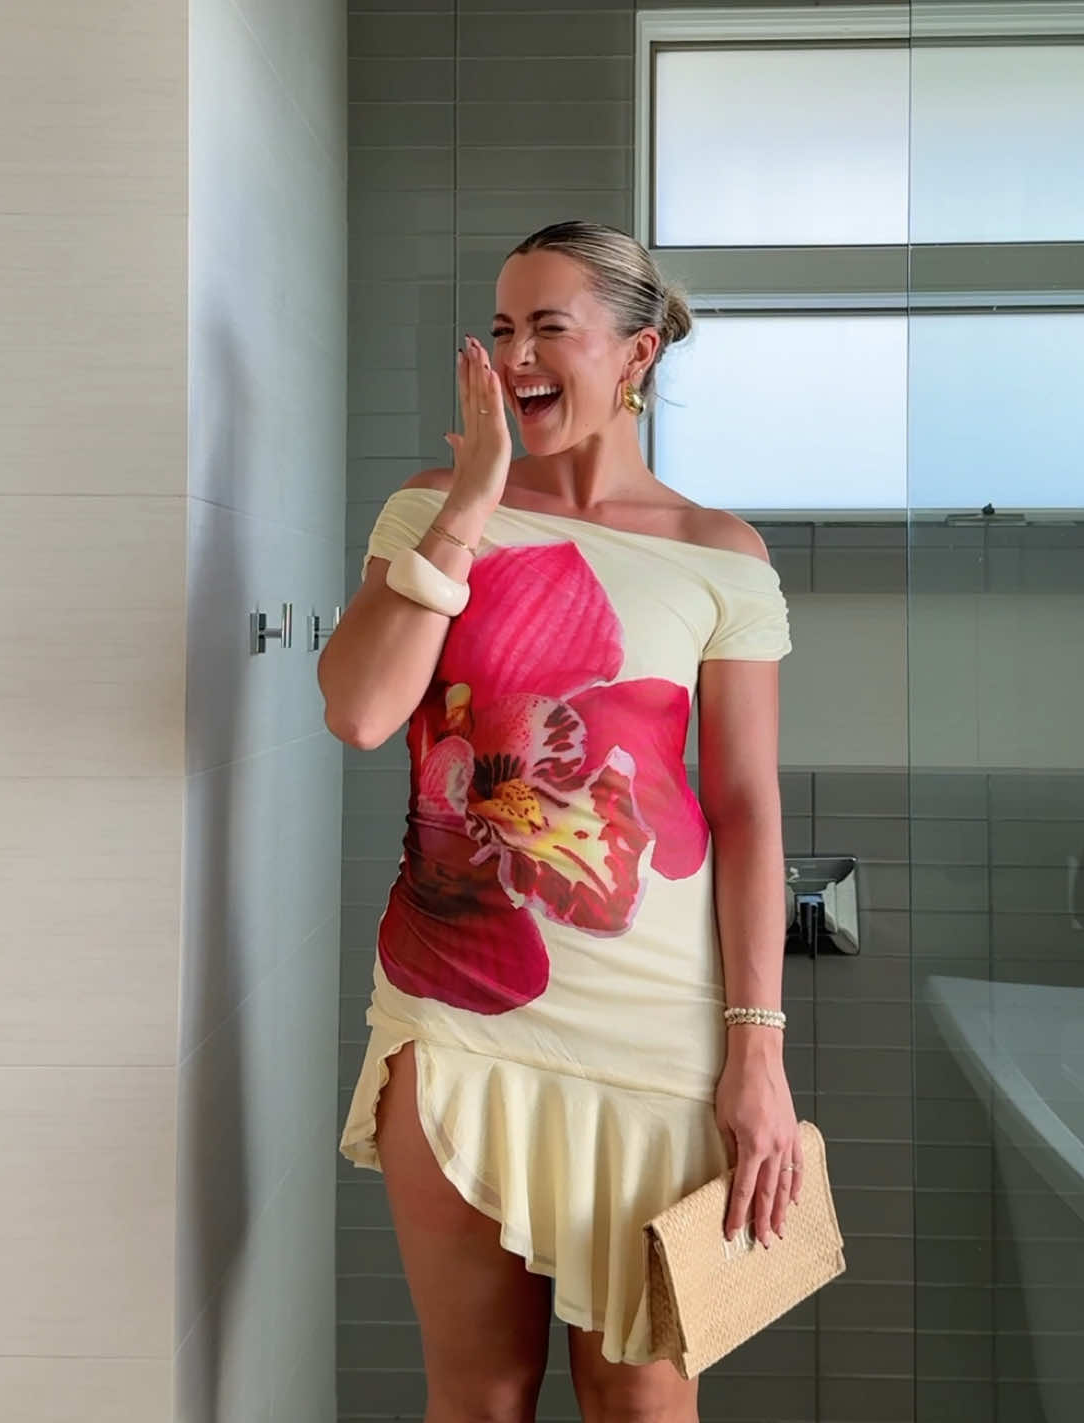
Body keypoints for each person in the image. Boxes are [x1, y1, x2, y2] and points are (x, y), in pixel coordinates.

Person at [323, 221, 802, 1423]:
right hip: (460, 1022)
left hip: (662, 1040)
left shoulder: (720, 554)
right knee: (479, 1398)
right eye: (501, 329)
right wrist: (472, 501)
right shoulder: (432, 507)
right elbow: (362, 712)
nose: (515, 356)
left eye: (549, 327)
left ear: (636, 354)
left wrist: (758, 1052)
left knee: (643, 1399)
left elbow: (745, 810)